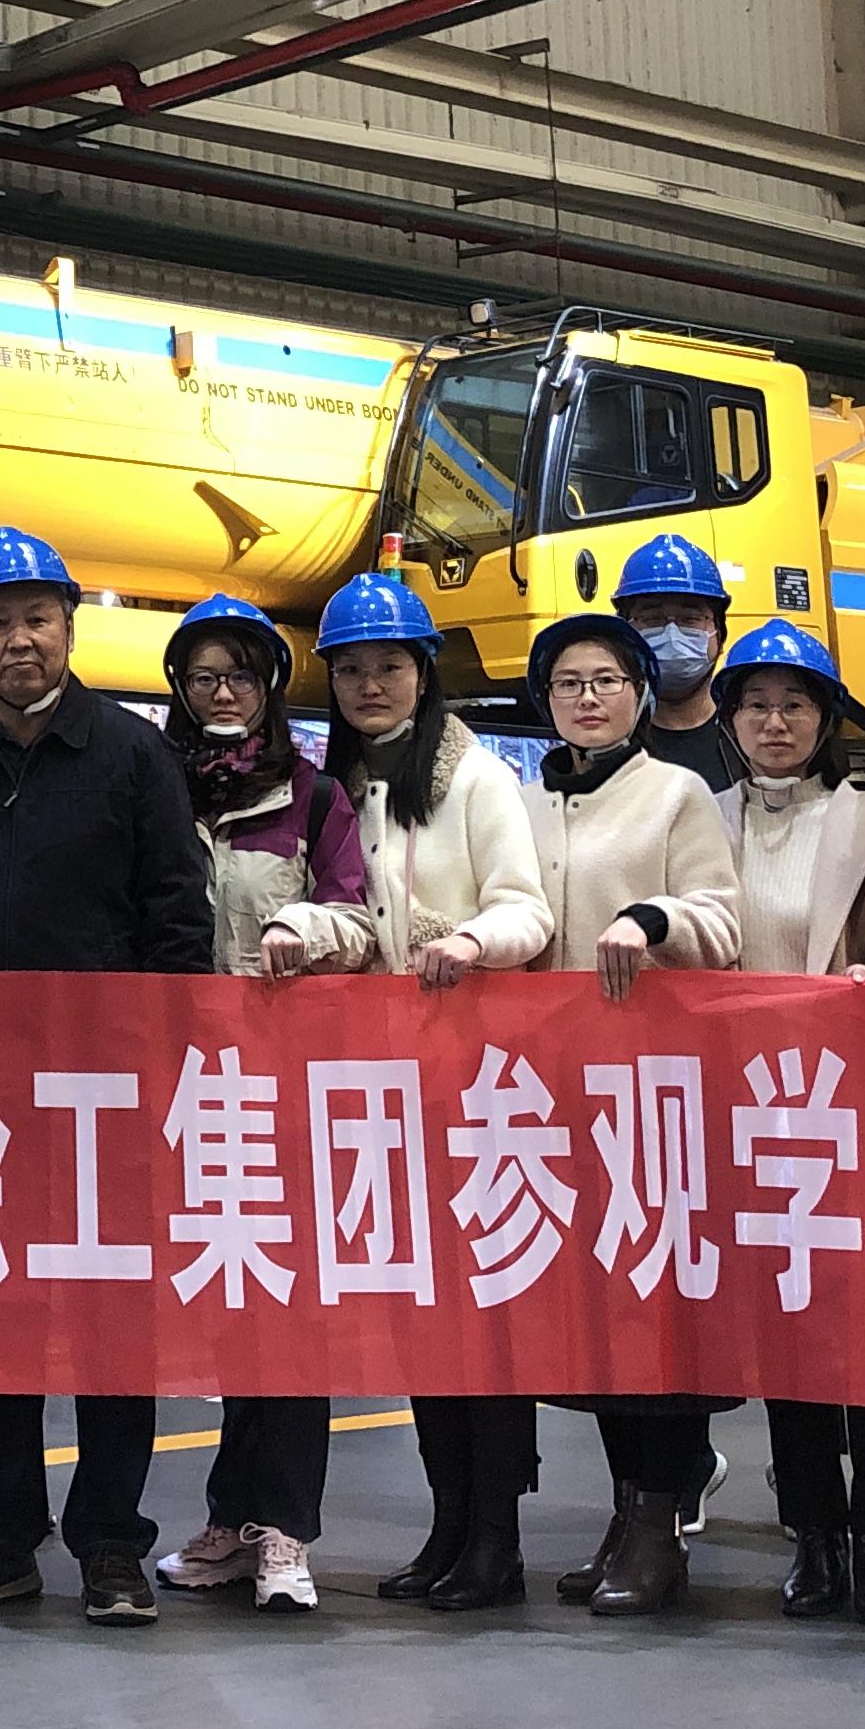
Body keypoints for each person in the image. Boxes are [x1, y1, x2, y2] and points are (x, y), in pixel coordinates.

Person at [0, 527, 213, 1626]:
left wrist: (165, 1069)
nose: (18, 640)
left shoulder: (131, 754)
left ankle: (111, 1544)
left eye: (36, 618)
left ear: (69, 626)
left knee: (113, 1325)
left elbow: (177, 916)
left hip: (106, 1095)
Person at [311, 571, 551, 1613]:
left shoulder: (478, 780)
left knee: (484, 1318)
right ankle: (449, 1525)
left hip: (472, 1080)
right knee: (422, 1318)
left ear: (424, 674)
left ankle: (497, 1538)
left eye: (390, 666)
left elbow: (528, 910)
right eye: (352, 670)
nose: (371, 685)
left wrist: (471, 942)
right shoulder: (332, 785)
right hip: (377, 1088)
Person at [709, 618, 865, 1628]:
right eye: (756, 705)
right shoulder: (700, 821)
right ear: (730, 720)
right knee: (788, 1331)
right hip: (740, 1111)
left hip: (849, 1111)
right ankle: (813, 1528)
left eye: (795, 704)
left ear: (825, 719)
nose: (775, 722)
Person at [149, 594, 368, 1615]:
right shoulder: (150, 788)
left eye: (240, 673)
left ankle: (285, 1530)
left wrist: (302, 929)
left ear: (271, 686)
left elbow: (357, 920)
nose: (222, 692)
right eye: (203, 677)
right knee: (221, 1312)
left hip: (276, 1094)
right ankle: (232, 1521)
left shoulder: (314, 799)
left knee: (286, 1311)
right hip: (164, 1090)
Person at [521, 609, 742, 1619]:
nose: (588, 698)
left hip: (655, 1097)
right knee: (600, 1324)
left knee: (657, 1312)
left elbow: (723, 920)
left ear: (641, 694)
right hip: (558, 1096)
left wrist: (652, 918)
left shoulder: (675, 793)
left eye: (607, 680)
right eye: (568, 683)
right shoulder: (527, 802)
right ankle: (627, 1514)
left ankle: (661, 1523)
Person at [614, 533, 745, 790]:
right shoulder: (607, 741)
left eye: (690, 619)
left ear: (720, 634)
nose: (672, 635)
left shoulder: (752, 738)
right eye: (652, 620)